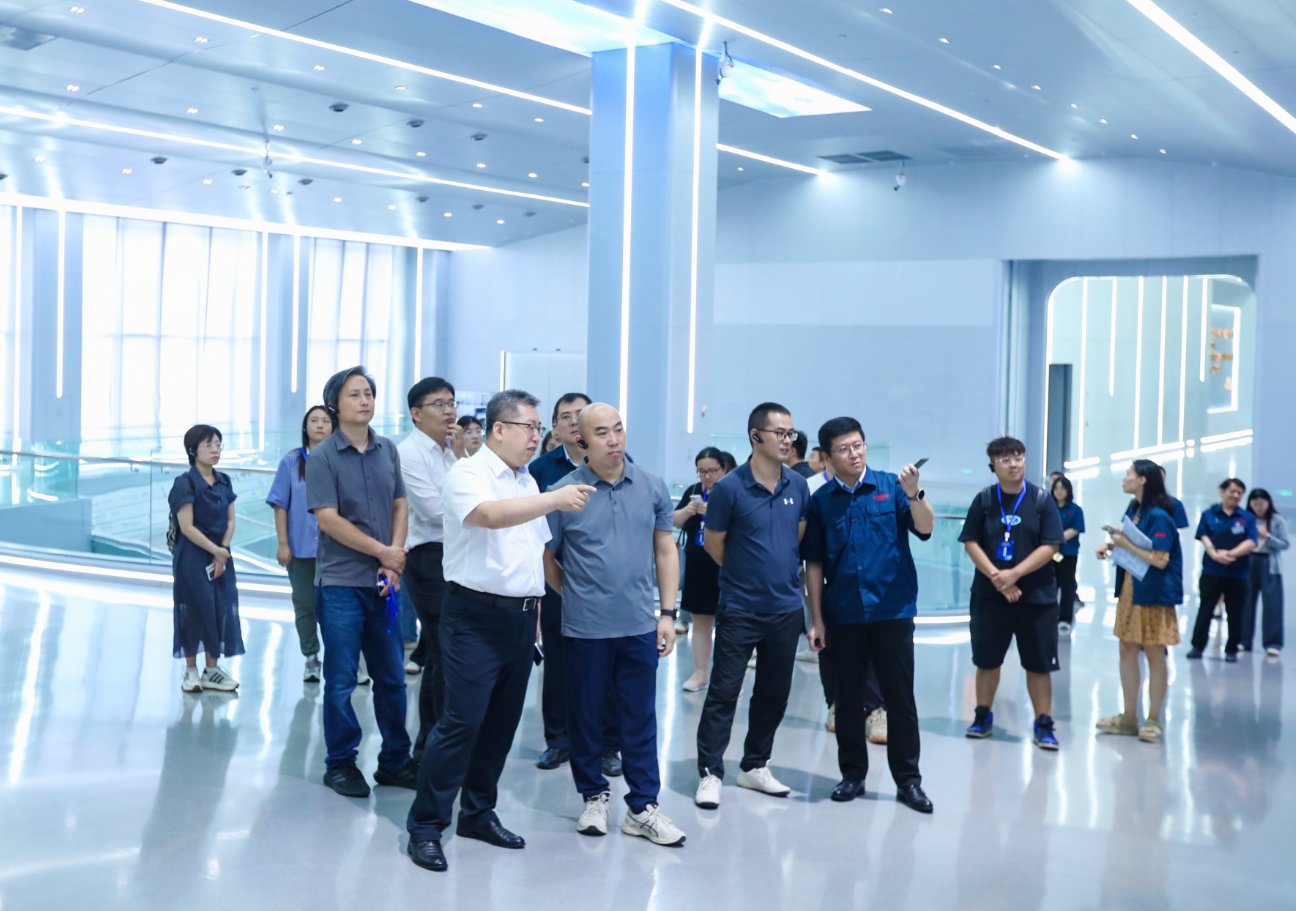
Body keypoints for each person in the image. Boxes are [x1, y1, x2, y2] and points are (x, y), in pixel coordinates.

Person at [406, 390, 596, 873]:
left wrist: (549, 611)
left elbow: (537, 558)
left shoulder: (525, 479)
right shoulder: (468, 473)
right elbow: (488, 516)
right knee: (460, 723)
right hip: (474, 616)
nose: (536, 436)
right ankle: (426, 826)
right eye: (529, 427)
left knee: (501, 724)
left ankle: (477, 813)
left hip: (521, 618)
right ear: (499, 429)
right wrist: (554, 498)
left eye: (538, 428)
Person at [543, 403, 685, 845]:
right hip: (585, 629)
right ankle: (593, 796)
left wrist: (667, 614)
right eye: (602, 433)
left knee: (639, 718)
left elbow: (665, 549)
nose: (614, 440)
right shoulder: (563, 493)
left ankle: (643, 807)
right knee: (585, 716)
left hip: (639, 624)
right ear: (582, 441)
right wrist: (576, 597)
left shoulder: (651, 485)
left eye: (618, 430)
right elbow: (547, 559)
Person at [803, 417, 934, 813]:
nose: (854, 454)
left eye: (858, 445)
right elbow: (814, 564)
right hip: (843, 612)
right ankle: (852, 776)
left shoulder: (891, 487)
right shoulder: (821, 501)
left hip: (892, 610)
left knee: (900, 699)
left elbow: (925, 527)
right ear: (827, 457)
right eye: (844, 449)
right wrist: (817, 618)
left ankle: (908, 781)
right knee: (847, 700)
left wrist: (914, 493)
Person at [693, 402, 810, 809]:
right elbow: (714, 544)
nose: (788, 440)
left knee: (774, 693)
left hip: (786, 607)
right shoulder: (729, 488)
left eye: (791, 433)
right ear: (755, 436)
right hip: (741, 607)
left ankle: (755, 765)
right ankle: (710, 772)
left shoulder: (798, 485)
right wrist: (747, 573)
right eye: (780, 433)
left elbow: (796, 537)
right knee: (724, 692)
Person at [306, 366, 416, 798]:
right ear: (334, 404)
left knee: (392, 677)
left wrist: (394, 559)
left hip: (384, 582)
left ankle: (395, 761)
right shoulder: (323, 456)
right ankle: (340, 763)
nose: (365, 400)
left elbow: (400, 504)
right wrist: (382, 553)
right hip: (341, 584)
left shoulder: (387, 449)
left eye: (369, 392)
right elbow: (329, 520)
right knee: (341, 680)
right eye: (355, 394)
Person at [528, 393, 623, 776]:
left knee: (609, 668)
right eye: (565, 416)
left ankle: (608, 745)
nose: (572, 421)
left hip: (606, 585)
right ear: (556, 426)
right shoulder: (541, 469)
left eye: (579, 415)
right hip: (558, 579)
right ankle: (559, 740)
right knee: (559, 663)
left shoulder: (618, 462)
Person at [959, 437, 1064, 749]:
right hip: (990, 596)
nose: (1013, 464)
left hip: (1037, 599)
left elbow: (1051, 546)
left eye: (1018, 457)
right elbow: (971, 542)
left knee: (1039, 664)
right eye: (1005, 459)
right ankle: (982, 716)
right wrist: (998, 578)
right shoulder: (984, 500)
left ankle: (1044, 724)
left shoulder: (1042, 500)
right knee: (987, 661)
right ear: (993, 466)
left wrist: (1014, 574)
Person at [398, 376, 467, 763]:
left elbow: (474, 493)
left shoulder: (449, 452)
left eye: (451, 403)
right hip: (426, 558)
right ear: (416, 413)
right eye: (439, 404)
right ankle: (430, 749)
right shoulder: (409, 453)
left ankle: (435, 745)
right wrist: (476, 511)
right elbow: (434, 511)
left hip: (454, 554)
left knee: (445, 653)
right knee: (444, 651)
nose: (449, 411)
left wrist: (461, 454)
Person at [1094, 460, 1183, 743]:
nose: (1124, 479)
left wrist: (1125, 545)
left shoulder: (1159, 516)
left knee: (1154, 651)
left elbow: (1160, 559)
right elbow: (1132, 543)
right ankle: (1129, 717)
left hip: (1154, 592)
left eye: (1129, 474)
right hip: (1131, 588)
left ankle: (1153, 719)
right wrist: (1111, 545)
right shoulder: (1134, 509)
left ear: (1143, 479)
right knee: (1127, 648)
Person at [170, 424, 243, 693]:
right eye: (208, 445)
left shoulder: (224, 480)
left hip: (221, 554)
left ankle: (212, 670)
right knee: (193, 610)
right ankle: (191, 670)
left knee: (220, 607)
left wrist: (222, 551)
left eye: (218, 445)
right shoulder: (185, 483)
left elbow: (231, 519)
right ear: (193, 450)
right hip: (192, 556)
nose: (215, 450)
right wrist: (216, 551)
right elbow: (187, 527)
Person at [267, 406, 331, 684]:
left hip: (337, 548)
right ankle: (311, 657)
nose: (320, 425)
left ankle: (344, 659)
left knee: (338, 606)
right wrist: (283, 543)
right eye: (314, 420)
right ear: (305, 427)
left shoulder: (341, 458)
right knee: (305, 604)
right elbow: (280, 504)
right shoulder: (291, 461)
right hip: (301, 548)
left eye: (325, 420)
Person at [674, 447, 728, 692]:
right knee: (700, 620)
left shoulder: (732, 492)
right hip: (698, 563)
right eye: (702, 471)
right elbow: (674, 521)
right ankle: (700, 673)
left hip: (725, 564)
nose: (707, 476)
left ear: (724, 469)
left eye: (712, 471)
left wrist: (714, 511)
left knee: (728, 624)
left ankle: (727, 680)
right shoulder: (694, 491)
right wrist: (689, 510)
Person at [1187, 478, 1258, 661]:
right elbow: (1203, 536)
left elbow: (1251, 541)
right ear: (1222, 492)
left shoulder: (1247, 518)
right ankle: (1197, 646)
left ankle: (1232, 649)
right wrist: (1214, 554)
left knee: (1235, 612)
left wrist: (1230, 554)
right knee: (1206, 609)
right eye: (1232, 491)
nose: (1235, 495)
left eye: (1239, 493)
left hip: (1238, 573)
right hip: (1212, 571)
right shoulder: (1209, 514)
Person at [1243, 488, 1287, 657]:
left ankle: (1273, 643)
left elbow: (1285, 544)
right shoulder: (1246, 518)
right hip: (1249, 561)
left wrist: (1267, 536)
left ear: (1269, 503)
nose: (1259, 507)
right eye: (1255, 504)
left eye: (1262, 504)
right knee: (1246, 602)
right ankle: (1243, 640)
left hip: (1270, 564)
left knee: (1272, 605)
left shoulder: (1277, 520)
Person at [1051, 475, 1085, 631]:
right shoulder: (1049, 508)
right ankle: (1050, 615)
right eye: (1056, 488)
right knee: (1050, 583)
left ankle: (1065, 618)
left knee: (1067, 585)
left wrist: (1055, 539)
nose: (1059, 491)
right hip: (1049, 553)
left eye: (1062, 488)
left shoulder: (1075, 510)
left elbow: (1076, 529)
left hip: (1067, 553)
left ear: (1068, 491)